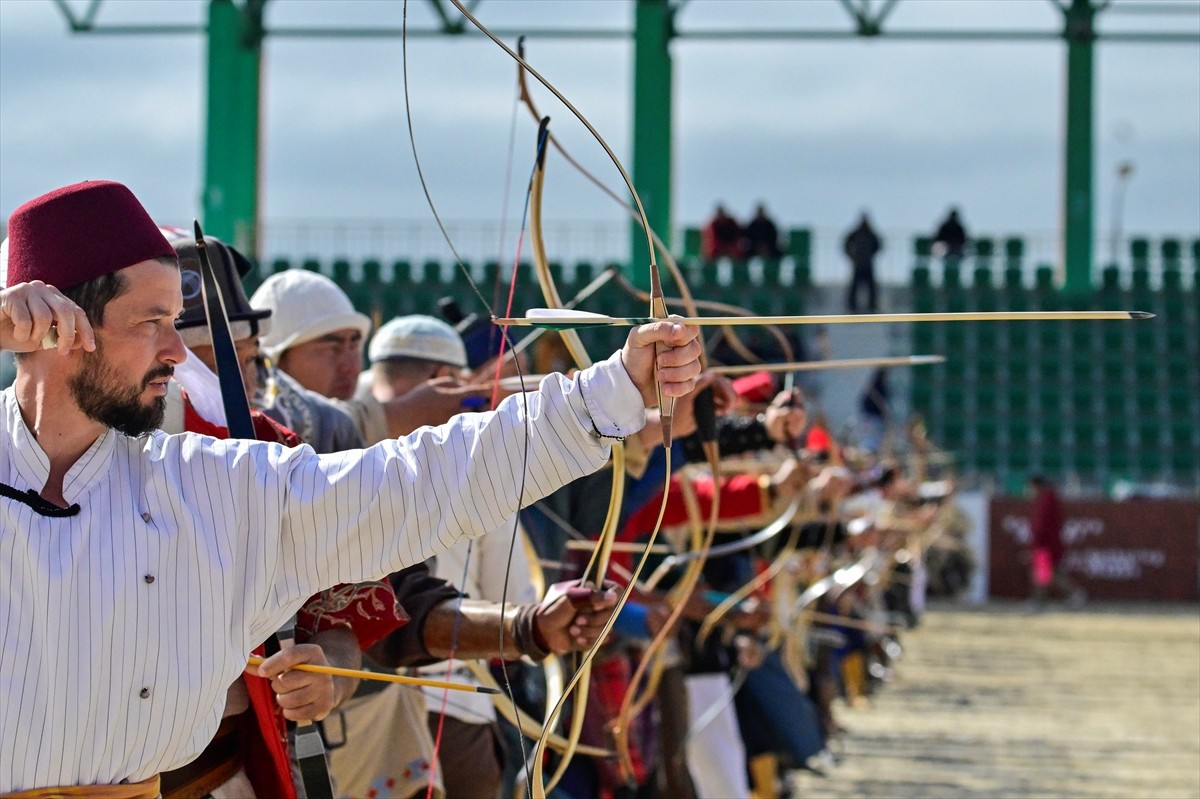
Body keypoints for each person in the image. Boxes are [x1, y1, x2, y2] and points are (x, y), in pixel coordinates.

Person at [0, 179, 703, 795]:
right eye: (151, 323)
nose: (177, 351)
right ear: (59, 328)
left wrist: (606, 392)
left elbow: (412, 480)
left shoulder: (208, 483)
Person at [1026, 475, 1087, 611]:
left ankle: (1040, 601)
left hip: (1045, 544)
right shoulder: (1049, 498)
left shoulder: (1045, 500)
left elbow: (1041, 525)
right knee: (1048, 573)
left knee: (1045, 573)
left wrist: (1037, 542)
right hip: (1049, 543)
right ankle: (1072, 595)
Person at [843, 213, 881, 313]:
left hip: (867, 264)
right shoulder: (856, 233)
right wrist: (852, 256)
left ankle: (872, 306)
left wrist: (871, 255)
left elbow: (878, 245)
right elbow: (846, 244)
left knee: (871, 287)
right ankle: (852, 306)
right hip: (859, 264)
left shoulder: (870, 234)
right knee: (854, 287)